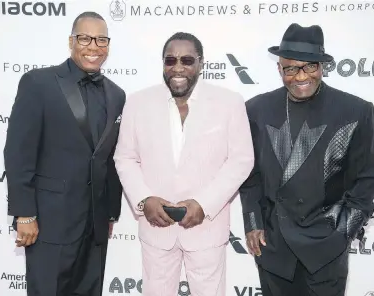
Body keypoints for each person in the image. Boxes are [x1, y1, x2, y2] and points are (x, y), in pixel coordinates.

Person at [113, 32, 254, 296]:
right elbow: (125, 157)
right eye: (170, 60)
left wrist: (204, 203)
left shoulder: (229, 102)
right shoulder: (137, 102)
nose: (178, 67)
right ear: (163, 64)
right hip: (156, 227)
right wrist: (145, 200)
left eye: (187, 60)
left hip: (206, 229)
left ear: (201, 63)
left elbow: (241, 160)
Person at [239, 23, 374, 296]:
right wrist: (253, 224)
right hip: (274, 246)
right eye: (291, 68)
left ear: (322, 67)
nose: (301, 76)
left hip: (325, 249)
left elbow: (367, 181)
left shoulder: (357, 111)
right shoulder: (256, 110)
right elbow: (249, 174)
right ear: (279, 69)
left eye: (310, 66)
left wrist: (341, 234)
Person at [4, 11, 125, 296]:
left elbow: (109, 159)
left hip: (94, 227)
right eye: (84, 38)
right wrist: (24, 214)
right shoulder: (39, 83)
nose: (93, 46)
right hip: (50, 223)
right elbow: (18, 152)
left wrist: (108, 214)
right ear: (71, 41)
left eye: (101, 40)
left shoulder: (117, 94)